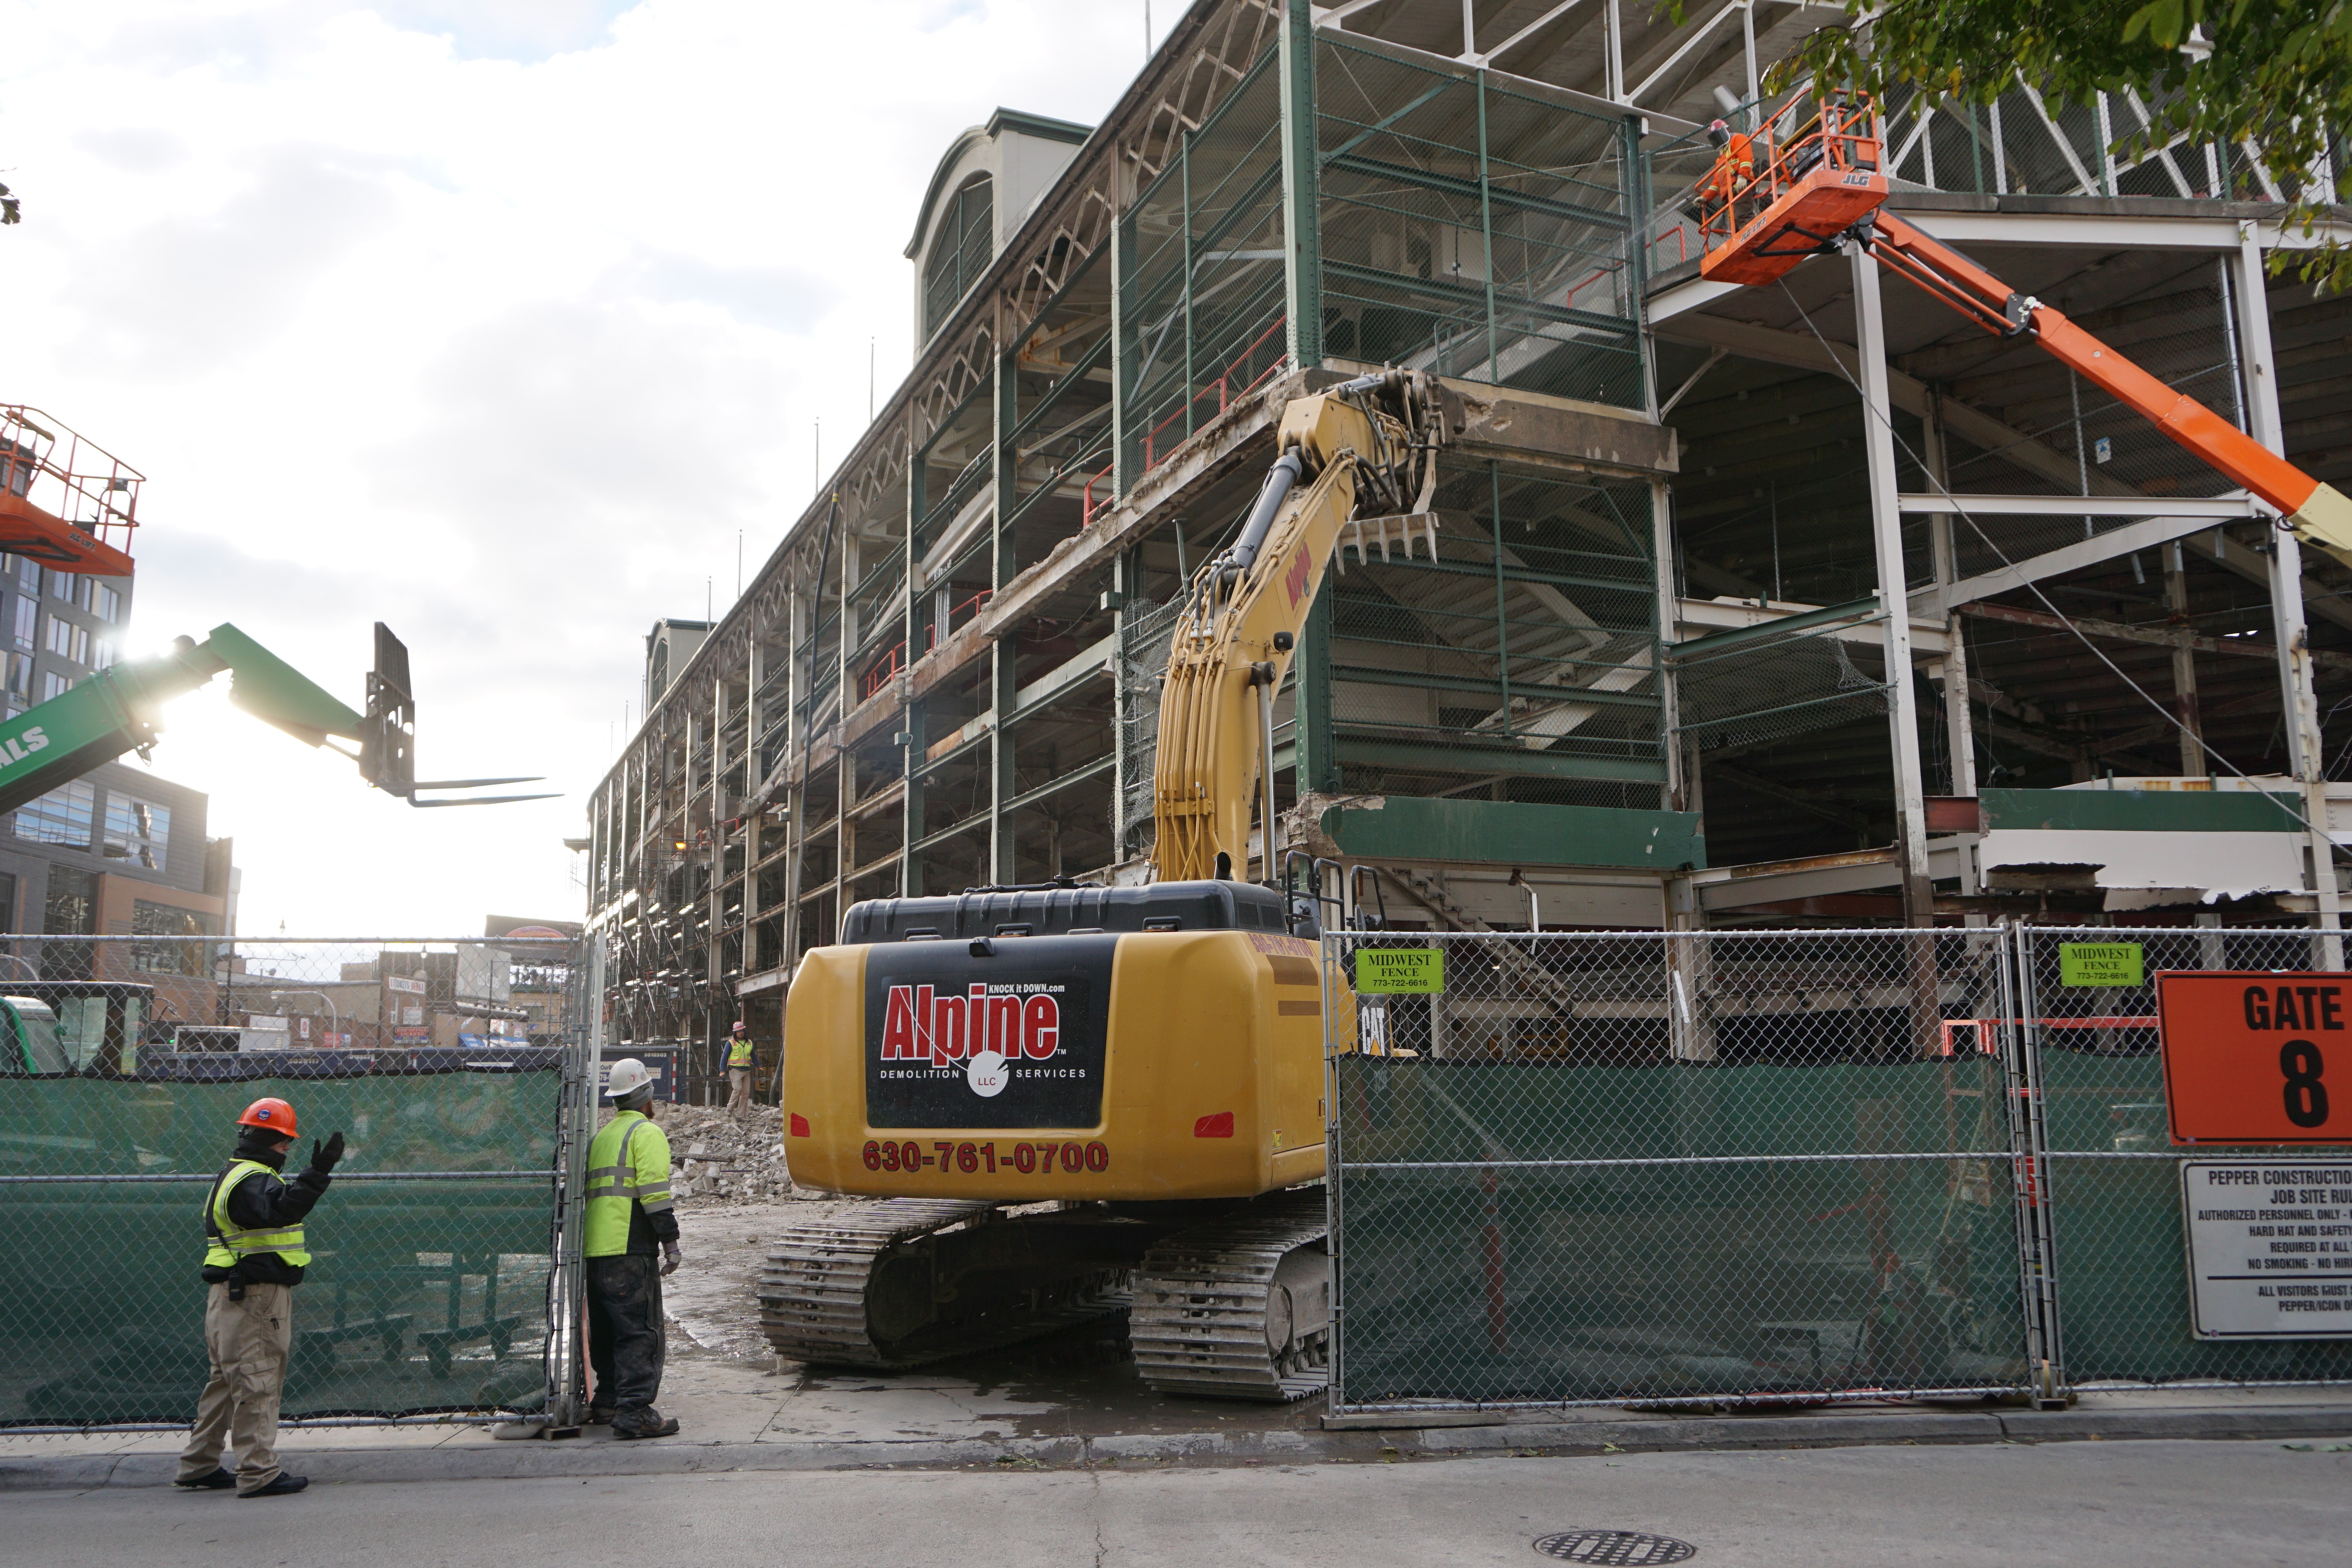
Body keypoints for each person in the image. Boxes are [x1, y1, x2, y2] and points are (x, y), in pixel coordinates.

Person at [176, 1096, 345, 1499]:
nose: (287, 1152)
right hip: (253, 1296)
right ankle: (258, 1472)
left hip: (229, 1296)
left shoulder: (235, 1173)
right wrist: (317, 1174)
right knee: (258, 1379)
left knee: (225, 1382)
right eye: (285, 1145)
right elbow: (281, 1211)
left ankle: (199, 1464)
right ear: (272, 1141)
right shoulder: (254, 1178)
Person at [584, 1057, 681, 1439]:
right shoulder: (646, 1133)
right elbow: (655, 1195)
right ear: (646, 1096)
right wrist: (670, 1242)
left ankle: (609, 1400)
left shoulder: (601, 1137)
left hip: (595, 1251)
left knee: (607, 1330)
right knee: (640, 1331)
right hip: (629, 1247)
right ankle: (635, 1411)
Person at [725, 1022, 755, 1114]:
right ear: (735, 1033)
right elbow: (725, 1057)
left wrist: (759, 1066)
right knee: (738, 1089)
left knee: (746, 1093)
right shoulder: (731, 1043)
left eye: (742, 1031)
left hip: (746, 1070)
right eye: (739, 1032)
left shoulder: (749, 1043)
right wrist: (722, 1070)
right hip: (735, 1070)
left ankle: (741, 1114)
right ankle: (729, 1108)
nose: (741, 1033)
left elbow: (754, 1056)